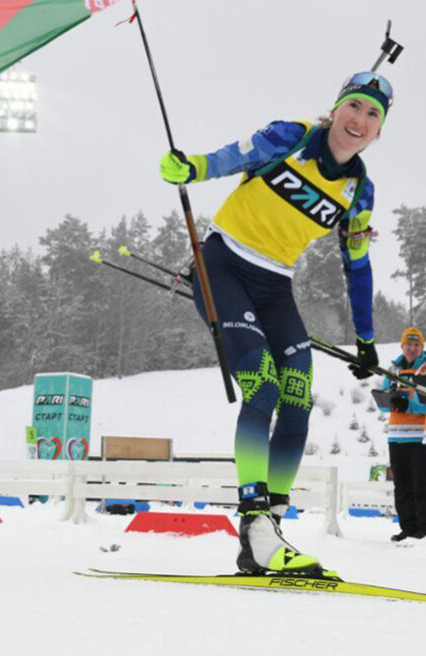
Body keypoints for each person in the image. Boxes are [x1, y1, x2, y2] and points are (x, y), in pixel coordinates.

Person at [159, 71, 390, 576]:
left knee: (297, 396)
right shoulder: (293, 136)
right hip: (221, 264)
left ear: (378, 132)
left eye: (373, 116)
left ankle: (269, 530)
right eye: (355, 107)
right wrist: (192, 168)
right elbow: (234, 156)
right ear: (337, 109)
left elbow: (358, 265)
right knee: (260, 387)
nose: (360, 120)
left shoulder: (359, 190)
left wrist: (367, 338)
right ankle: (255, 524)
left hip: (275, 285)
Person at [378, 326, 426, 541]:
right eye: (408, 345)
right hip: (396, 436)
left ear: (422, 347)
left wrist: (408, 403)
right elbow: (385, 405)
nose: (412, 349)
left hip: (421, 436)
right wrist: (389, 401)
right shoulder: (392, 369)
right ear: (402, 346)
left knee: (421, 484)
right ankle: (407, 527)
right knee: (401, 485)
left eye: (416, 345)